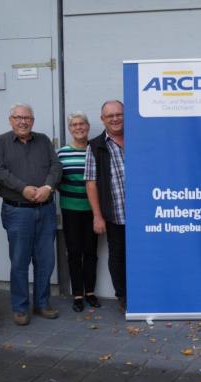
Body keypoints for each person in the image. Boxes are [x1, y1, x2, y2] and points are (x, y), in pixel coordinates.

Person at [0, 102, 62, 326]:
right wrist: (23, 188)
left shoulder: (43, 140)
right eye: (18, 117)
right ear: (11, 120)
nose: (23, 121)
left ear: (33, 121)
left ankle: (41, 303)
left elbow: (56, 167)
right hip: (17, 211)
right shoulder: (0, 142)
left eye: (27, 118)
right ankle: (20, 307)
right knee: (19, 261)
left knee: (46, 260)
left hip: (46, 210)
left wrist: (47, 187)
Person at [85, 100, 127, 312]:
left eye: (119, 114)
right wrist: (97, 216)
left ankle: (146, 293)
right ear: (102, 120)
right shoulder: (95, 146)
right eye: (110, 116)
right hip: (115, 214)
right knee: (118, 256)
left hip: (146, 214)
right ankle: (123, 297)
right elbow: (91, 183)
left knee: (146, 254)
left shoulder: (140, 137)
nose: (115, 118)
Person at [58, 112, 100, 312]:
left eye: (82, 123)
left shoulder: (96, 151)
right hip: (70, 210)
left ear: (88, 126)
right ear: (70, 129)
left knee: (91, 252)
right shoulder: (61, 153)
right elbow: (55, 180)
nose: (78, 127)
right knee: (74, 253)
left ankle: (90, 291)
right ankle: (77, 294)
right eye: (74, 125)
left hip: (92, 209)